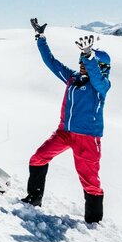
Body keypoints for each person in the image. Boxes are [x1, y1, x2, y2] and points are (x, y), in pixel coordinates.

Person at [21, 18, 112, 224]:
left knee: (90, 182)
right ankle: (33, 199)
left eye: (86, 62)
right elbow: (51, 62)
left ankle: (93, 222)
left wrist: (90, 57)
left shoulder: (101, 86)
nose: (81, 66)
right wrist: (40, 38)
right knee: (38, 158)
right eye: (80, 62)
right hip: (64, 132)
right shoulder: (73, 79)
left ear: (101, 67)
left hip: (88, 138)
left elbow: (97, 78)